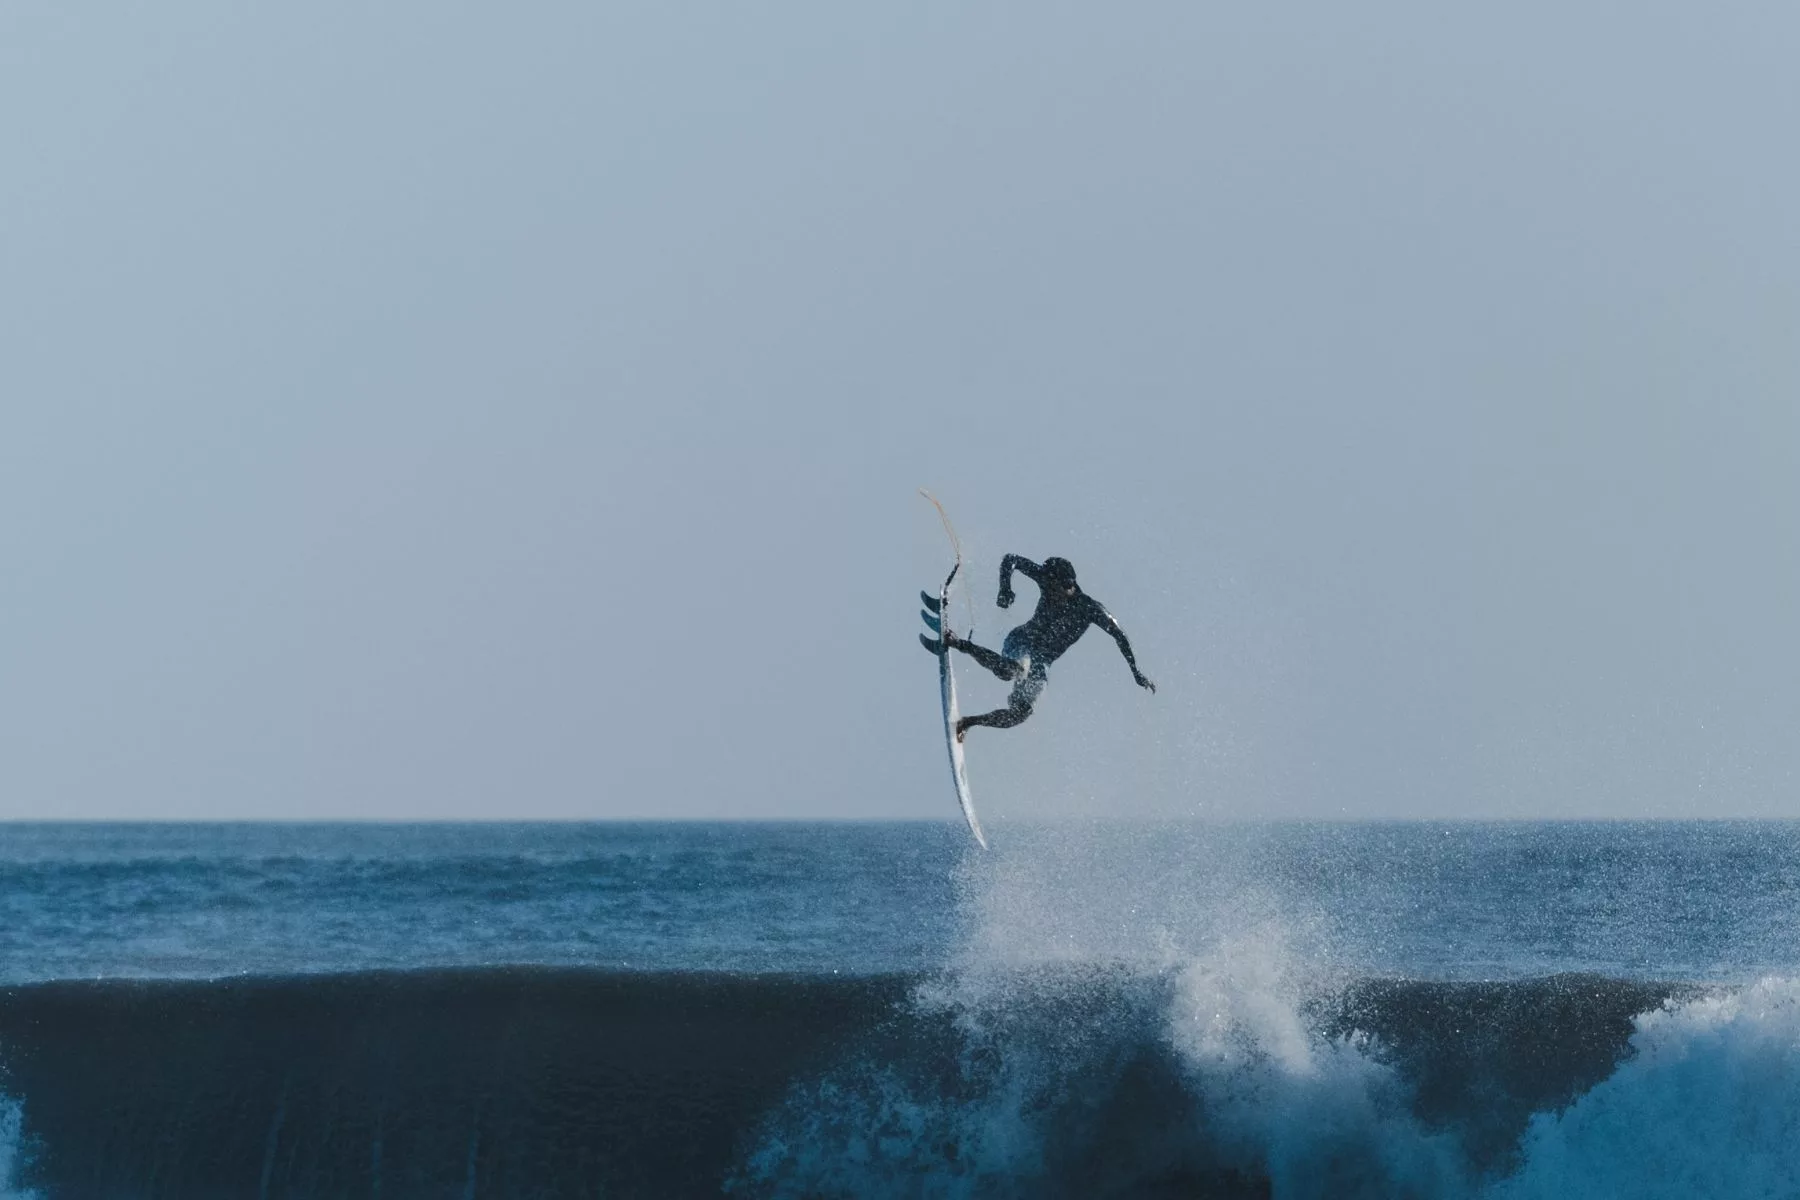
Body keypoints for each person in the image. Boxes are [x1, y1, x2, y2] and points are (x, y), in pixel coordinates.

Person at [921, 555, 1155, 741]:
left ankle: (968, 723)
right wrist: (1005, 588)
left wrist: (1135, 671)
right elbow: (1010, 559)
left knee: (1020, 713)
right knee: (1011, 671)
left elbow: (1119, 635)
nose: (1049, 591)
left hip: (1042, 663)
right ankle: (957, 642)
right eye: (1047, 586)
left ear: (1068, 586)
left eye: (1054, 588)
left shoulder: (1089, 608)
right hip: (1022, 640)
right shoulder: (1046, 578)